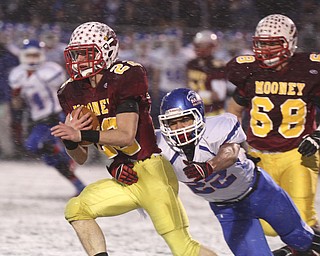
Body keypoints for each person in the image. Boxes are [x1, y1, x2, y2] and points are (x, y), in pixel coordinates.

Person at [50, 21, 217, 256]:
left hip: (150, 173)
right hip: (124, 178)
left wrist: (81, 134)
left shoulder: (126, 75)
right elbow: (81, 158)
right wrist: (71, 142)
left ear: (107, 51)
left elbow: (125, 135)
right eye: (76, 54)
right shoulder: (70, 91)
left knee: (184, 248)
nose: (79, 61)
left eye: (86, 54)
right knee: (77, 209)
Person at [108, 88, 320, 256]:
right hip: (227, 211)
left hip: (261, 192)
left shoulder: (220, 125)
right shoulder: (159, 144)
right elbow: (120, 149)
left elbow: (231, 151)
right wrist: (117, 165)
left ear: (199, 116)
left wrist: (209, 166)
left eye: (185, 119)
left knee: (302, 239)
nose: (179, 127)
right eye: (172, 123)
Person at [226, 14, 320, 243]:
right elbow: (234, 110)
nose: (266, 49)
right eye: (261, 43)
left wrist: (318, 135)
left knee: (300, 220)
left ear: (290, 41)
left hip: (297, 154)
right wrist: (235, 141)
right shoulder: (248, 70)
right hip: (258, 155)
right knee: (270, 226)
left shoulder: (308, 69)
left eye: (273, 43)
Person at [8, 38, 85, 195]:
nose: (32, 59)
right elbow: (17, 105)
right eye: (29, 56)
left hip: (55, 116)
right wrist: (16, 95)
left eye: (35, 56)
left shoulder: (51, 70)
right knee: (51, 159)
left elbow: (64, 87)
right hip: (37, 120)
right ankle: (79, 185)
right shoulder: (18, 75)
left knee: (35, 145)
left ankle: (67, 157)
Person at [186, 30, 230, 116]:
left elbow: (218, 96)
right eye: (197, 45)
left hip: (213, 113)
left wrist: (194, 96)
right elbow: (187, 85)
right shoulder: (191, 64)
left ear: (211, 47)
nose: (198, 48)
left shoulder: (217, 66)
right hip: (194, 112)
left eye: (202, 45)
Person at [0, 35, 19, 159]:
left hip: (2, 99)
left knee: (3, 126)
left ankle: (8, 152)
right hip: (4, 97)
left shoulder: (8, 57)